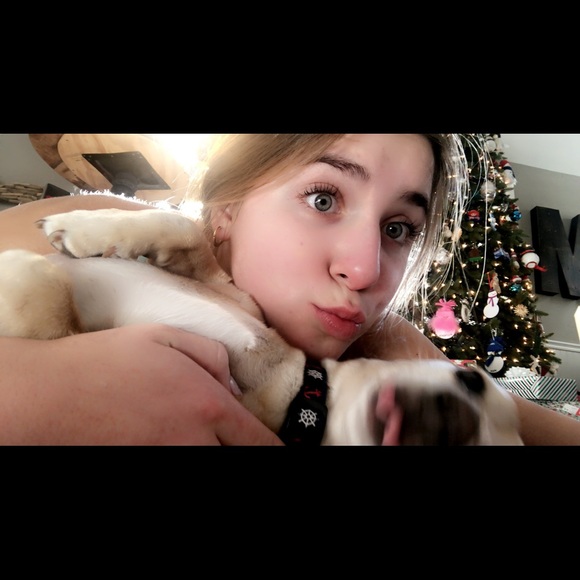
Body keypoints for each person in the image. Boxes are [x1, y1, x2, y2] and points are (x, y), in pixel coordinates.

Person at [0, 133, 579, 445]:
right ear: (226, 209)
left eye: (398, 229)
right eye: (323, 199)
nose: (365, 270)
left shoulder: (382, 346)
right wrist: (29, 393)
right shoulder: (110, 232)